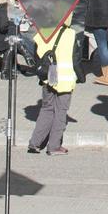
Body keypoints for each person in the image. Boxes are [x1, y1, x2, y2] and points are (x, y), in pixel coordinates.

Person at [27, 23, 82, 155]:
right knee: (61, 111)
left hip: (47, 77)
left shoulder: (43, 31)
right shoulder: (71, 34)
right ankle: (54, 146)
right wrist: (81, 76)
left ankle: (35, 143)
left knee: (46, 109)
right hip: (65, 78)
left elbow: (36, 55)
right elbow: (76, 59)